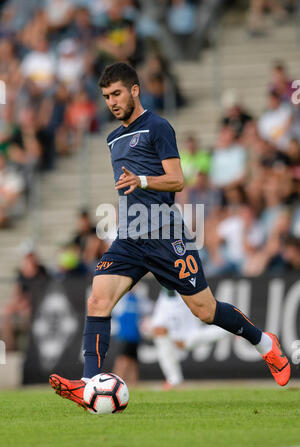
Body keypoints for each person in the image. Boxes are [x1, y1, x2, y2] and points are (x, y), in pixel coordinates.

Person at [49, 62, 291, 410]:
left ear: (134, 90)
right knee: (97, 301)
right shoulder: (112, 138)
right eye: (105, 97)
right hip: (130, 237)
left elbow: (177, 179)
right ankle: (89, 385)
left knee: (205, 311)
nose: (112, 102)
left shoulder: (158, 127)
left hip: (165, 234)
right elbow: (128, 188)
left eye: (116, 93)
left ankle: (264, 344)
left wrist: (143, 181)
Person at [152, 288, 228, 389]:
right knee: (159, 331)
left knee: (183, 342)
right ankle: (173, 379)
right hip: (167, 295)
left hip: (181, 293)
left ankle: (230, 329)